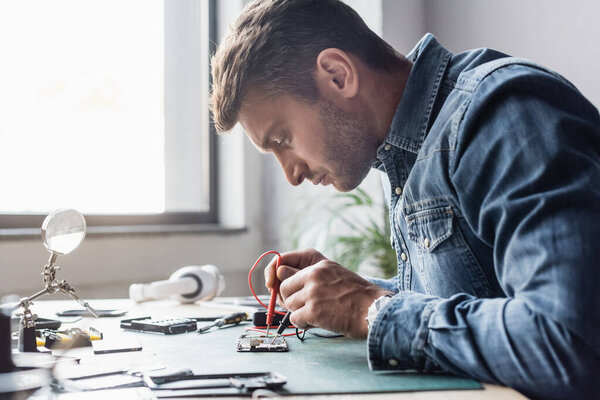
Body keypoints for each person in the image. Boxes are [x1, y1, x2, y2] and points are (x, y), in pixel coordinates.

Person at [209, 0, 600, 398]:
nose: (291, 175)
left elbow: (569, 341)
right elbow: (472, 292)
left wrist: (369, 309)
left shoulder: (504, 114)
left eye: (282, 140)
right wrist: (344, 295)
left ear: (337, 75)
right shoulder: (399, 151)